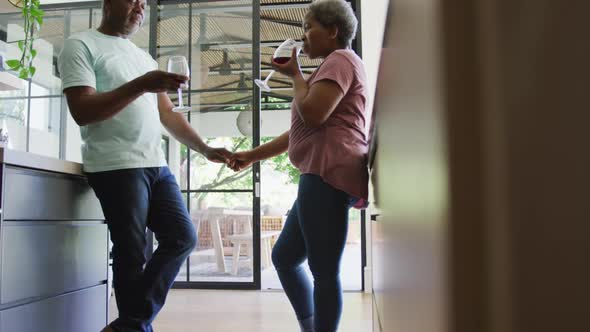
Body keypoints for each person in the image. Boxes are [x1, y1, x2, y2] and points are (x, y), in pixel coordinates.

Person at [57, 0, 231, 331]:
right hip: (115, 164)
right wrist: (141, 84)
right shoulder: (80, 44)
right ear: (109, 4)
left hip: (155, 163)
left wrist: (205, 148)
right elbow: (83, 110)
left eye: (144, 2)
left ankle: (129, 326)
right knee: (131, 252)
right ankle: (134, 326)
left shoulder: (143, 59)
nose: (140, 6)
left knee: (182, 237)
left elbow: (167, 115)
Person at [229, 0, 368, 331]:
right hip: (321, 172)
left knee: (323, 269)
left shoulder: (340, 59)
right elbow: (301, 130)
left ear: (333, 31)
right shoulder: (332, 66)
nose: (302, 36)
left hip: (328, 172)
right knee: (285, 258)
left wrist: (294, 74)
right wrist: (251, 155)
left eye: (309, 27)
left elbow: (314, 114)